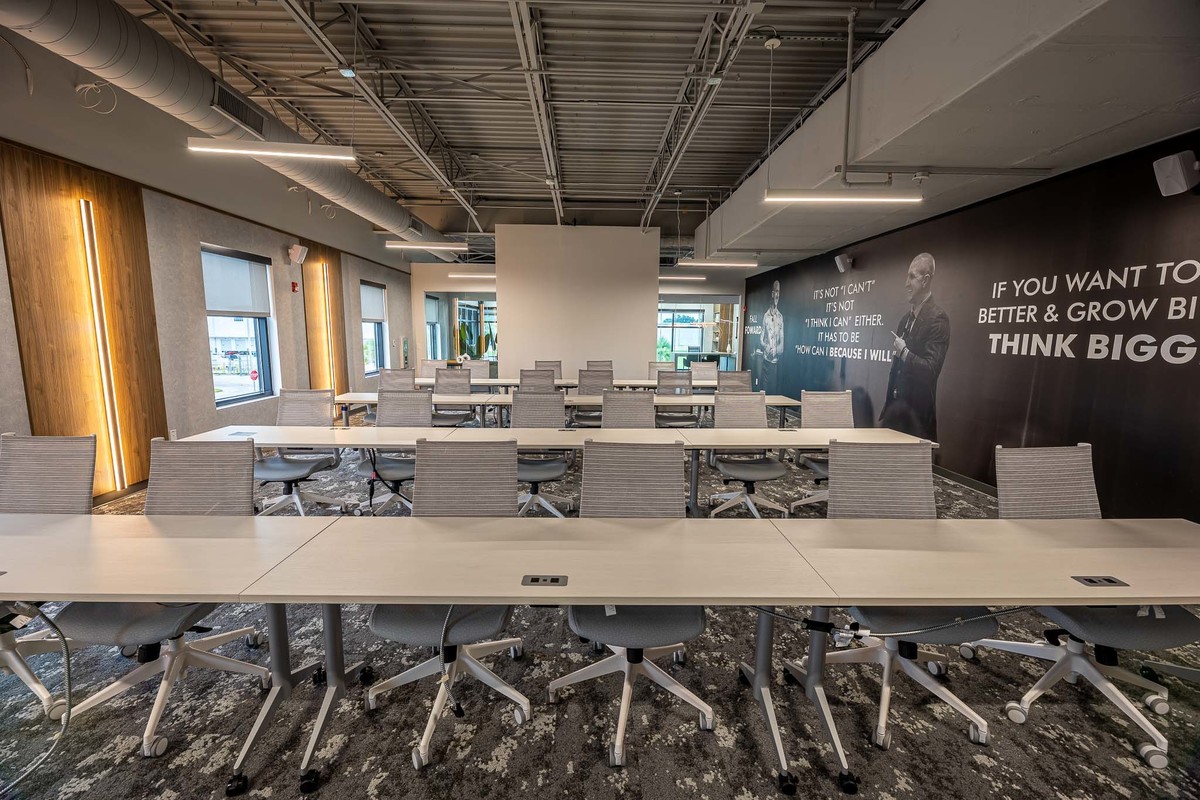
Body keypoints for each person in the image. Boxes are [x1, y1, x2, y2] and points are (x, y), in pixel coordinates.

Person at [880, 253, 949, 441]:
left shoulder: (937, 319)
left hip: (916, 421)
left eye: (912, 277)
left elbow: (931, 369)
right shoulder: (905, 320)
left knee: (907, 471)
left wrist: (904, 352)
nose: (906, 283)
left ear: (926, 280)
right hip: (894, 415)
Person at [759, 280, 784, 393]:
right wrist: (765, 346)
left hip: (775, 363)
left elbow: (782, 344)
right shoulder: (766, 316)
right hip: (766, 360)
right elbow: (761, 336)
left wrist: (776, 349)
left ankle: (772, 411)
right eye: (776, 291)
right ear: (772, 293)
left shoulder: (780, 317)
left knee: (773, 391)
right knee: (764, 389)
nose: (777, 295)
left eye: (779, 292)